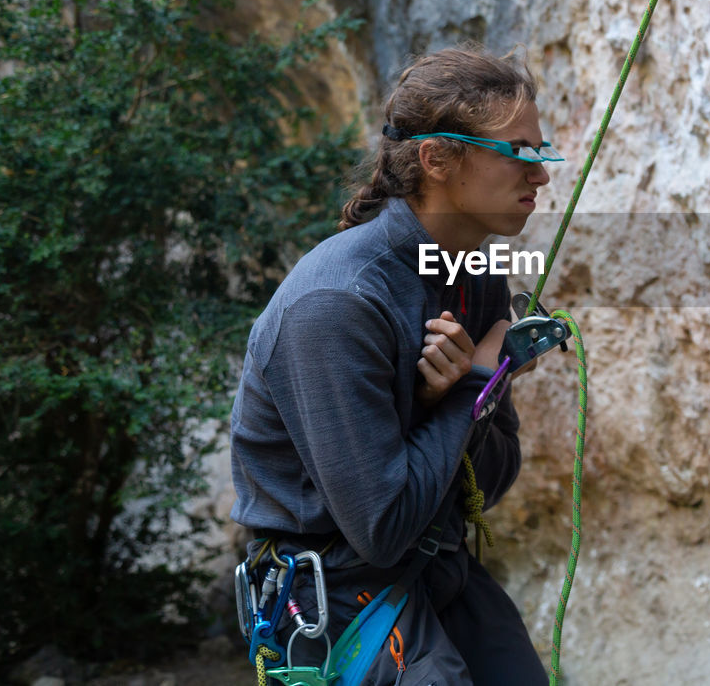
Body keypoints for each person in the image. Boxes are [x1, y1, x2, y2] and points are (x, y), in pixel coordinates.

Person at [229, 45, 559, 685]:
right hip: (336, 596)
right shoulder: (337, 303)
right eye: (519, 153)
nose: (540, 175)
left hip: (436, 567)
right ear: (437, 160)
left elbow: (489, 485)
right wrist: (471, 387)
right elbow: (379, 528)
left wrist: (472, 395)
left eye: (541, 153)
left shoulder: (475, 274)